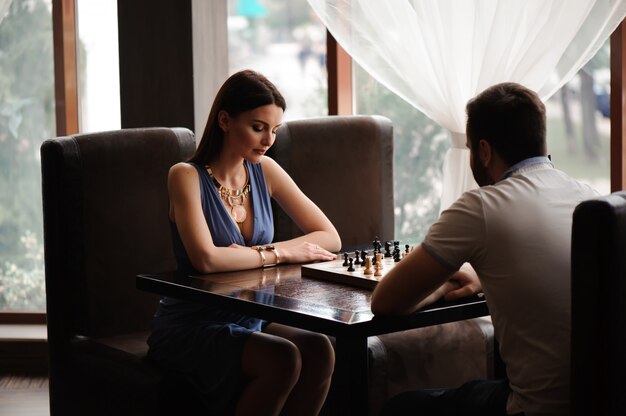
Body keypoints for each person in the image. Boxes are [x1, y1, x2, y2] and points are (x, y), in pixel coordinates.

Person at [371, 82, 599, 416]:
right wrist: (478, 276)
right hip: (601, 398)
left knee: (400, 408)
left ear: (484, 151)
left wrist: (443, 283)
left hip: (534, 407)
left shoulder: (481, 207)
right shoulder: (588, 194)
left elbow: (386, 300)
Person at [147, 69, 342, 415]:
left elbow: (330, 237)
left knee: (319, 348)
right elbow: (206, 259)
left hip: (250, 315)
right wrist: (279, 253)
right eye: (258, 127)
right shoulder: (185, 176)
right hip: (192, 322)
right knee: (282, 358)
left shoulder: (265, 170)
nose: (268, 140)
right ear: (224, 120)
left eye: (275, 130)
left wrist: (252, 255)